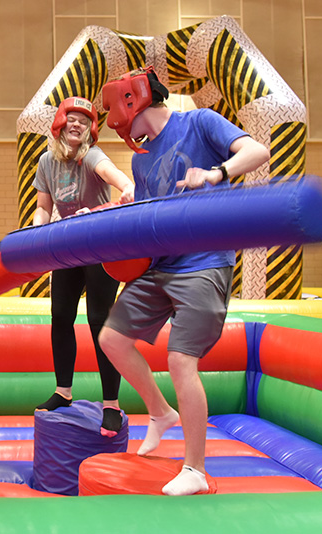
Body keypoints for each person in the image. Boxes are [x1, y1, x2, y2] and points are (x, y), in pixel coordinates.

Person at [97, 67, 270, 495]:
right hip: (161, 266)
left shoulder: (201, 121)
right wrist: (114, 210)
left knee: (180, 359)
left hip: (205, 261)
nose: (123, 131)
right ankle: (160, 412)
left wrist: (217, 174)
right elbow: (146, 214)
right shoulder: (140, 159)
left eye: (118, 118)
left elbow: (258, 151)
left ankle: (194, 468)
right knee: (112, 339)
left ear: (133, 103)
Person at [32, 96, 136, 438]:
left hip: (99, 244)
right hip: (66, 245)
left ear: (89, 128)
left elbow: (116, 177)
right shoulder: (47, 161)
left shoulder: (91, 155)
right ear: (60, 123)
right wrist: (37, 231)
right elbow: (44, 209)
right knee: (60, 315)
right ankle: (63, 391)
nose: (76, 124)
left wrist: (127, 188)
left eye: (82, 120)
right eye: (70, 118)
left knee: (99, 320)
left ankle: (111, 404)